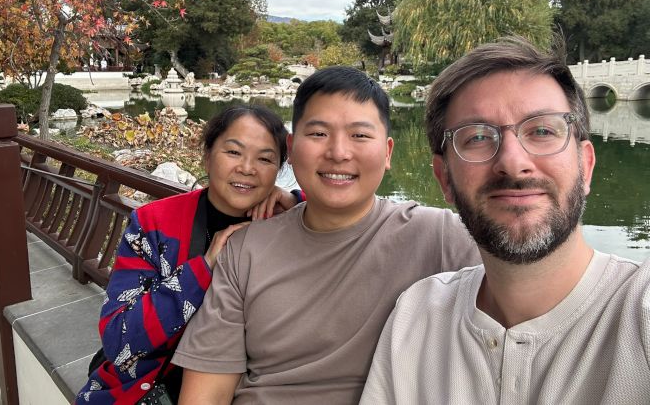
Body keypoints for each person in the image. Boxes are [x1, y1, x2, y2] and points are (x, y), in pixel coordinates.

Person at [360, 37, 650, 404]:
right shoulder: (417, 316)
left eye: (542, 131)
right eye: (478, 137)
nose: (513, 162)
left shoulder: (639, 313)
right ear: (444, 178)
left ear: (586, 165)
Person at [172, 66, 481, 404]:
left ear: (388, 152)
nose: (338, 152)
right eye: (319, 133)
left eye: (359, 135)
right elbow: (207, 393)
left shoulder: (439, 236)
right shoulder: (244, 249)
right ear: (291, 149)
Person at [76, 105, 300, 404]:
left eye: (265, 158)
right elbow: (118, 340)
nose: (247, 168)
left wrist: (297, 201)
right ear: (207, 156)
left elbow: (347, 221)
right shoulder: (155, 224)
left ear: (280, 169)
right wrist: (202, 269)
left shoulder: (287, 224)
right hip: (151, 389)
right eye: (234, 152)